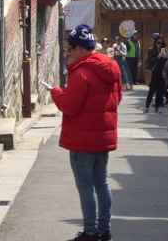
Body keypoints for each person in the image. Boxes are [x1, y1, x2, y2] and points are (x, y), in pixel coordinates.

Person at [47, 24, 122, 241]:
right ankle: (104, 229)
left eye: (69, 49)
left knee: (86, 188)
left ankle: (90, 232)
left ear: (80, 48)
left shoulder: (81, 73)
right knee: (103, 183)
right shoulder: (111, 68)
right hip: (103, 136)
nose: (68, 54)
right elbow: (116, 100)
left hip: (82, 139)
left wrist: (57, 92)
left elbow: (69, 106)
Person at [143, 34, 168, 113]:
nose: (159, 44)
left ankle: (157, 108)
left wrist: (165, 57)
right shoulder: (151, 50)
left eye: (161, 43)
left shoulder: (165, 50)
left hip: (161, 73)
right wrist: (158, 57)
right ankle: (146, 107)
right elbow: (150, 60)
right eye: (158, 42)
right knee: (151, 91)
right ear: (155, 42)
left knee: (160, 91)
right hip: (153, 73)